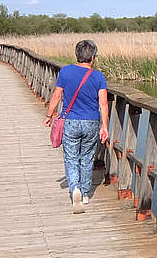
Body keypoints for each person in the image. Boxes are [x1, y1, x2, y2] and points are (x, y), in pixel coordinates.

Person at [44, 40, 109, 214]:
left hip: (71, 121)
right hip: (91, 122)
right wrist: (105, 126)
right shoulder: (98, 76)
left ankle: (75, 189)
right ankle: (86, 193)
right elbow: (103, 104)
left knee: (71, 158)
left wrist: (50, 115)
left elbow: (57, 95)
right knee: (87, 158)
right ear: (93, 58)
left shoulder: (65, 72)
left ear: (76, 55)